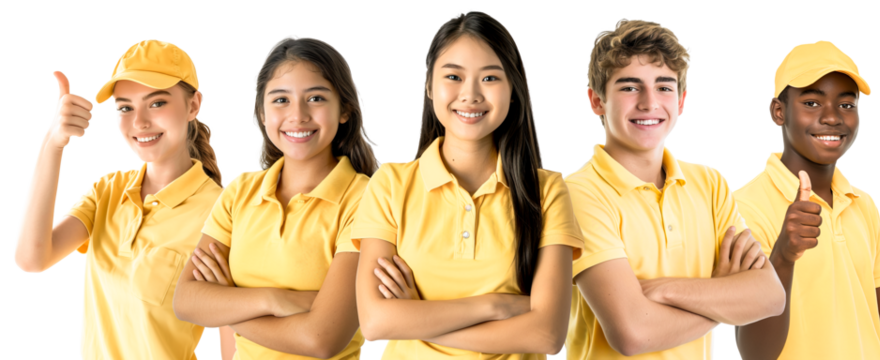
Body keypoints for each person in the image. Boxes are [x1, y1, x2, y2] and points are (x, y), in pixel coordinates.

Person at [353, 8, 584, 359]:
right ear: (430, 86)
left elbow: (547, 335)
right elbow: (375, 322)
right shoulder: (390, 185)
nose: (471, 94)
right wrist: (495, 306)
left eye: (490, 78)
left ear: (513, 90)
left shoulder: (547, 191)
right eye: (454, 77)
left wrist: (417, 317)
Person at [563, 16, 786, 359]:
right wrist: (722, 295)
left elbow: (770, 296)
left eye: (664, 86)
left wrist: (661, 291)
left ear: (681, 101)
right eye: (629, 86)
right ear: (596, 101)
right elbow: (633, 334)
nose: (649, 103)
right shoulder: (579, 193)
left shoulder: (709, 183)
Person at [13, 38, 224, 359]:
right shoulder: (108, 189)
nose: (139, 122)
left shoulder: (221, 213)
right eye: (125, 107)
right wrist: (53, 143)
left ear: (193, 105)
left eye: (157, 103)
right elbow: (32, 259)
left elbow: (236, 345)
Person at [173, 33, 378, 360]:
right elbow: (186, 301)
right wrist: (274, 300)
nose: (297, 115)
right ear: (262, 114)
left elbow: (320, 340)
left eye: (316, 98)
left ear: (344, 110)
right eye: (281, 100)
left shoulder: (368, 200)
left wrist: (228, 304)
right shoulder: (241, 190)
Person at [734, 39, 880, 360]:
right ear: (778, 112)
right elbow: (755, 353)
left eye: (846, 105)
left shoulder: (862, 203)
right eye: (812, 103)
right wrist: (783, 256)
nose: (832, 117)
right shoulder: (743, 208)